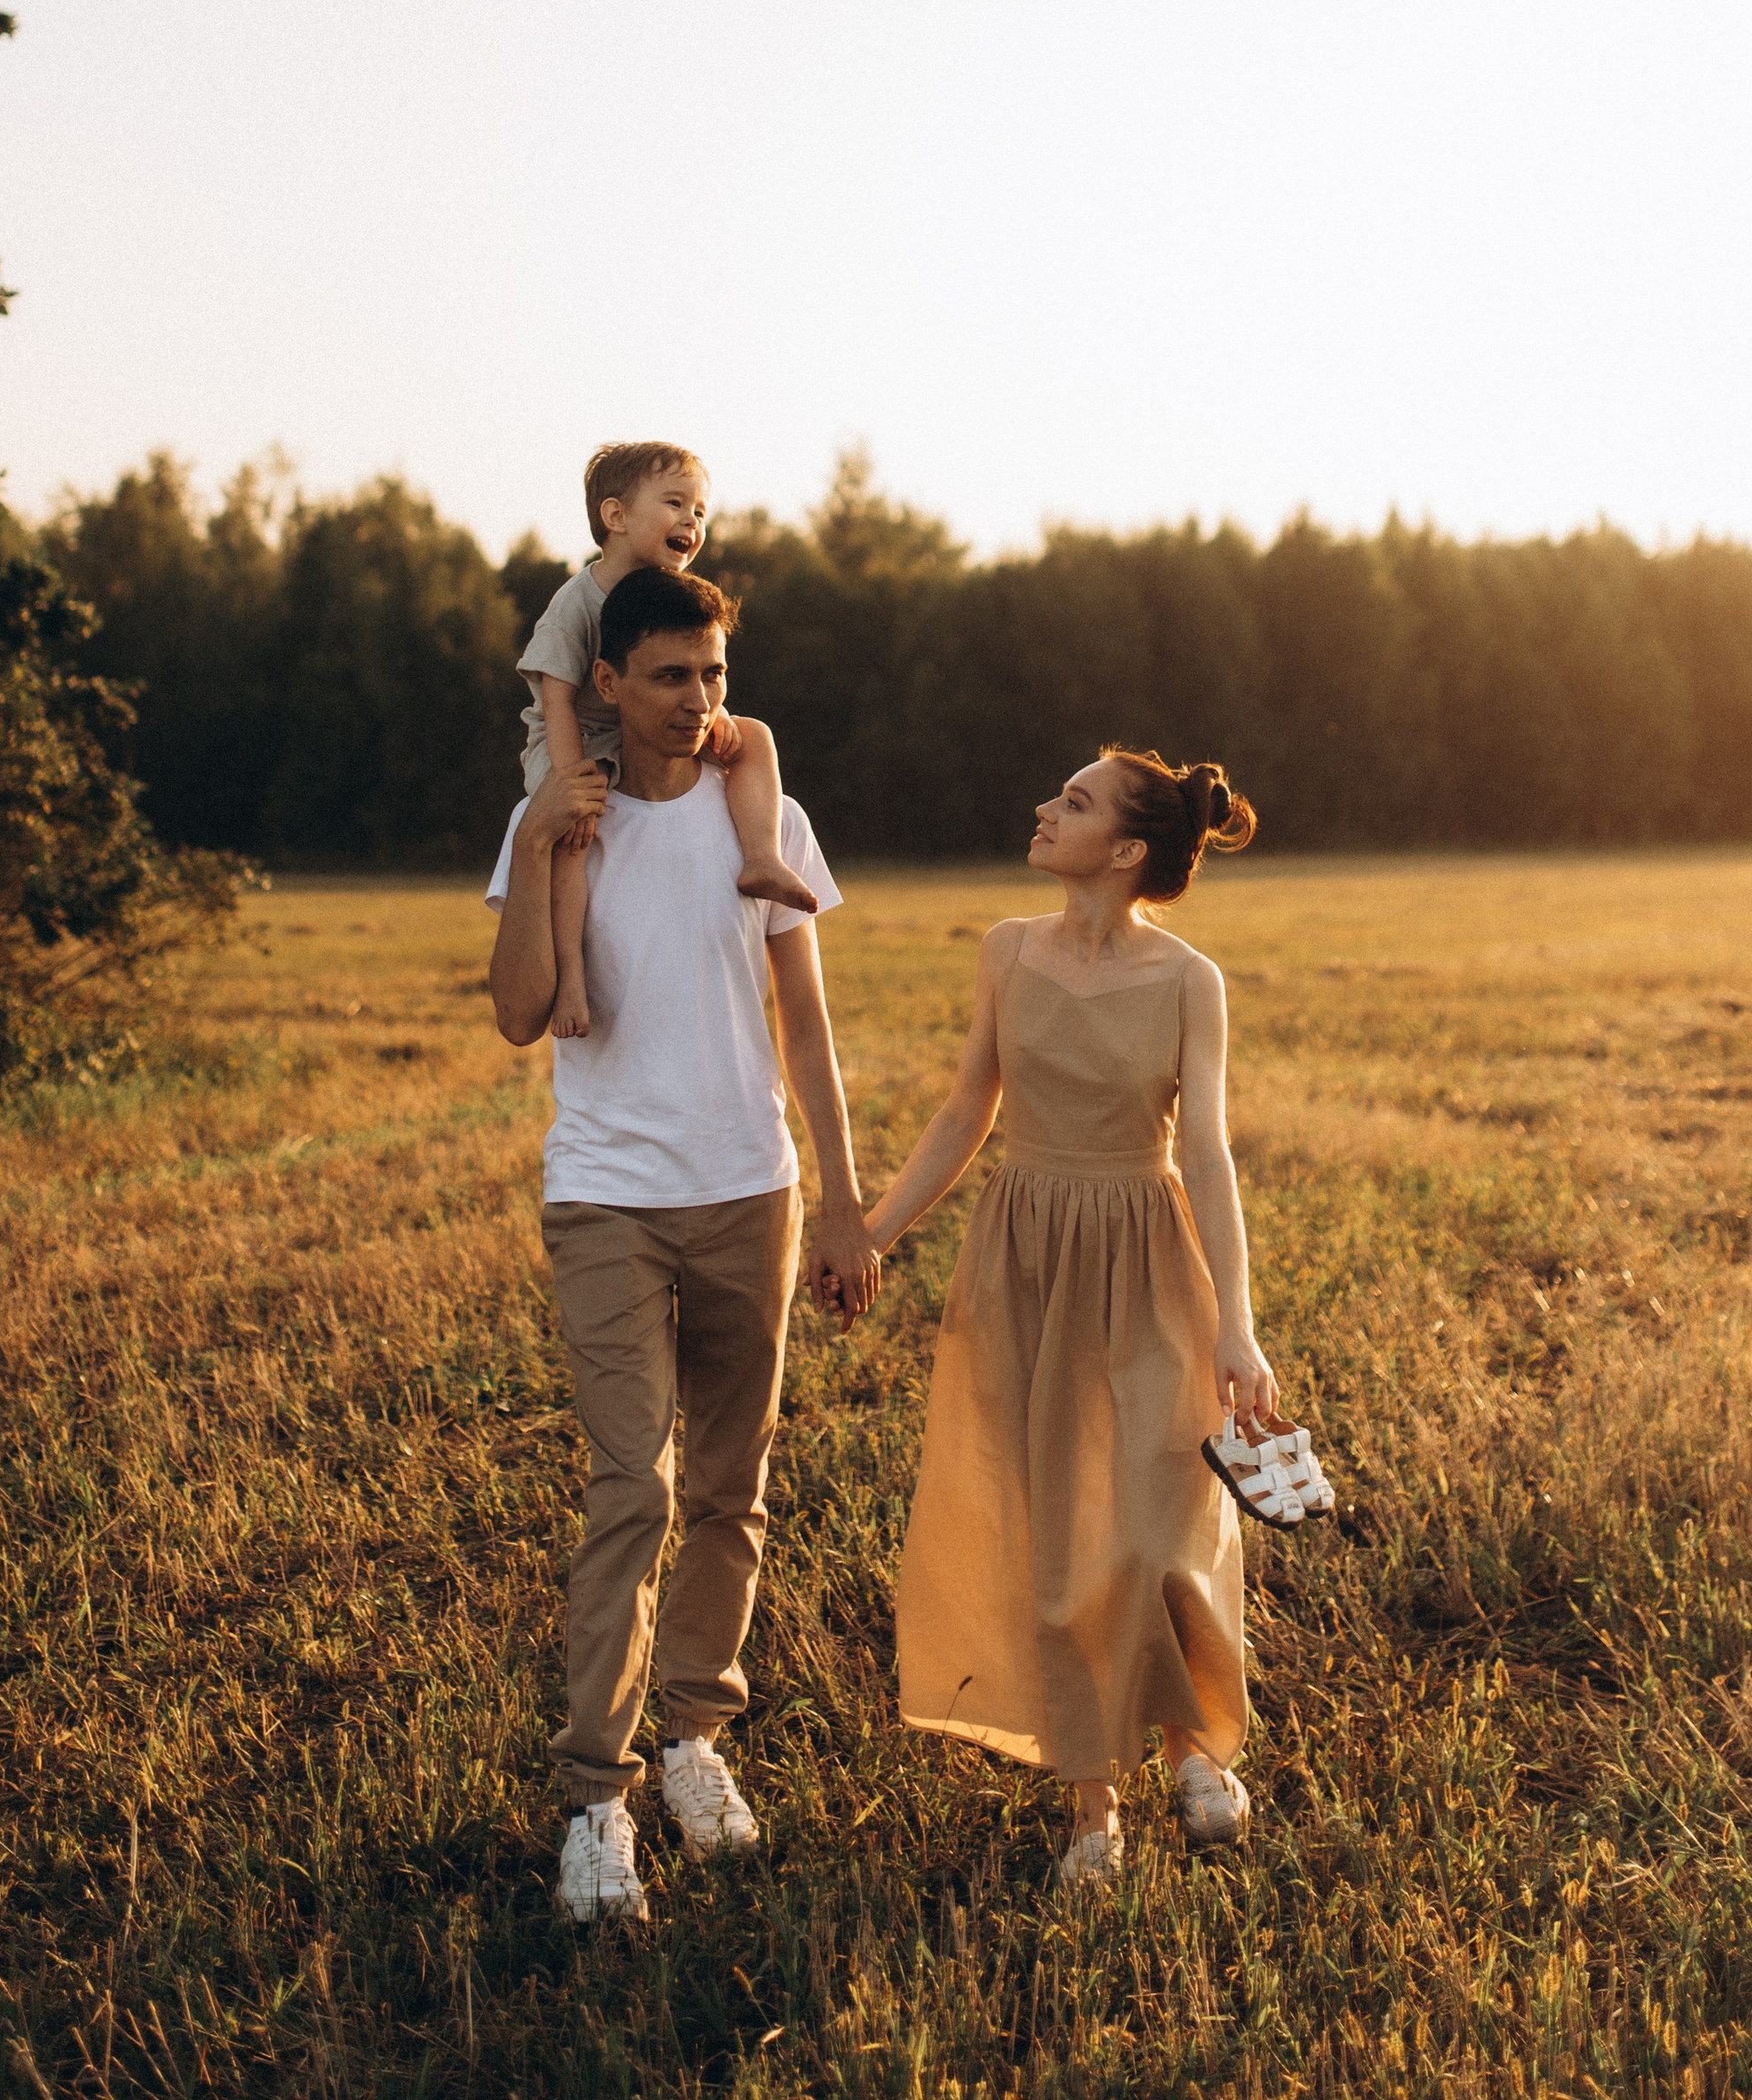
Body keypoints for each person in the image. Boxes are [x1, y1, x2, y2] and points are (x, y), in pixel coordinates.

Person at [488, 564, 880, 1925]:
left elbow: (809, 1026)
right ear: (606, 684)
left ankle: (695, 1742)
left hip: (749, 1189)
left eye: (715, 676)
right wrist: (544, 845)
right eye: (670, 677)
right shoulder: (556, 822)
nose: (699, 703)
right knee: (630, 1489)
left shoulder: (764, 814)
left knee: (731, 1485)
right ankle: (596, 1802)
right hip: (606, 1192)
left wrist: (841, 1199)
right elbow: (523, 1013)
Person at [859, 747, 1273, 1886]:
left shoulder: (1192, 980)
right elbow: (963, 1113)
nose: (1046, 809)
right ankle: (1095, 1808)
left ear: (1127, 851)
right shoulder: (1007, 952)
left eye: (1075, 803)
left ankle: (1195, 1747)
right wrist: (875, 1230)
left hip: (1147, 1255)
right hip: (1025, 1258)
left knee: (1159, 1525)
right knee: (1062, 1546)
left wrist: (1238, 1325)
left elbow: (1207, 1152)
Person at [517, 441, 818, 1040]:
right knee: (575, 846)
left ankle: (762, 858)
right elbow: (556, 699)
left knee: (754, 738)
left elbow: (701, 665)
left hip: (654, 729)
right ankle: (572, 976)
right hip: (573, 740)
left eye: (701, 512)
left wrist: (713, 712)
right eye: (676, 504)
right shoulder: (576, 602)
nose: (692, 521)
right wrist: (571, 786)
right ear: (616, 517)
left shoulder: (675, 595)